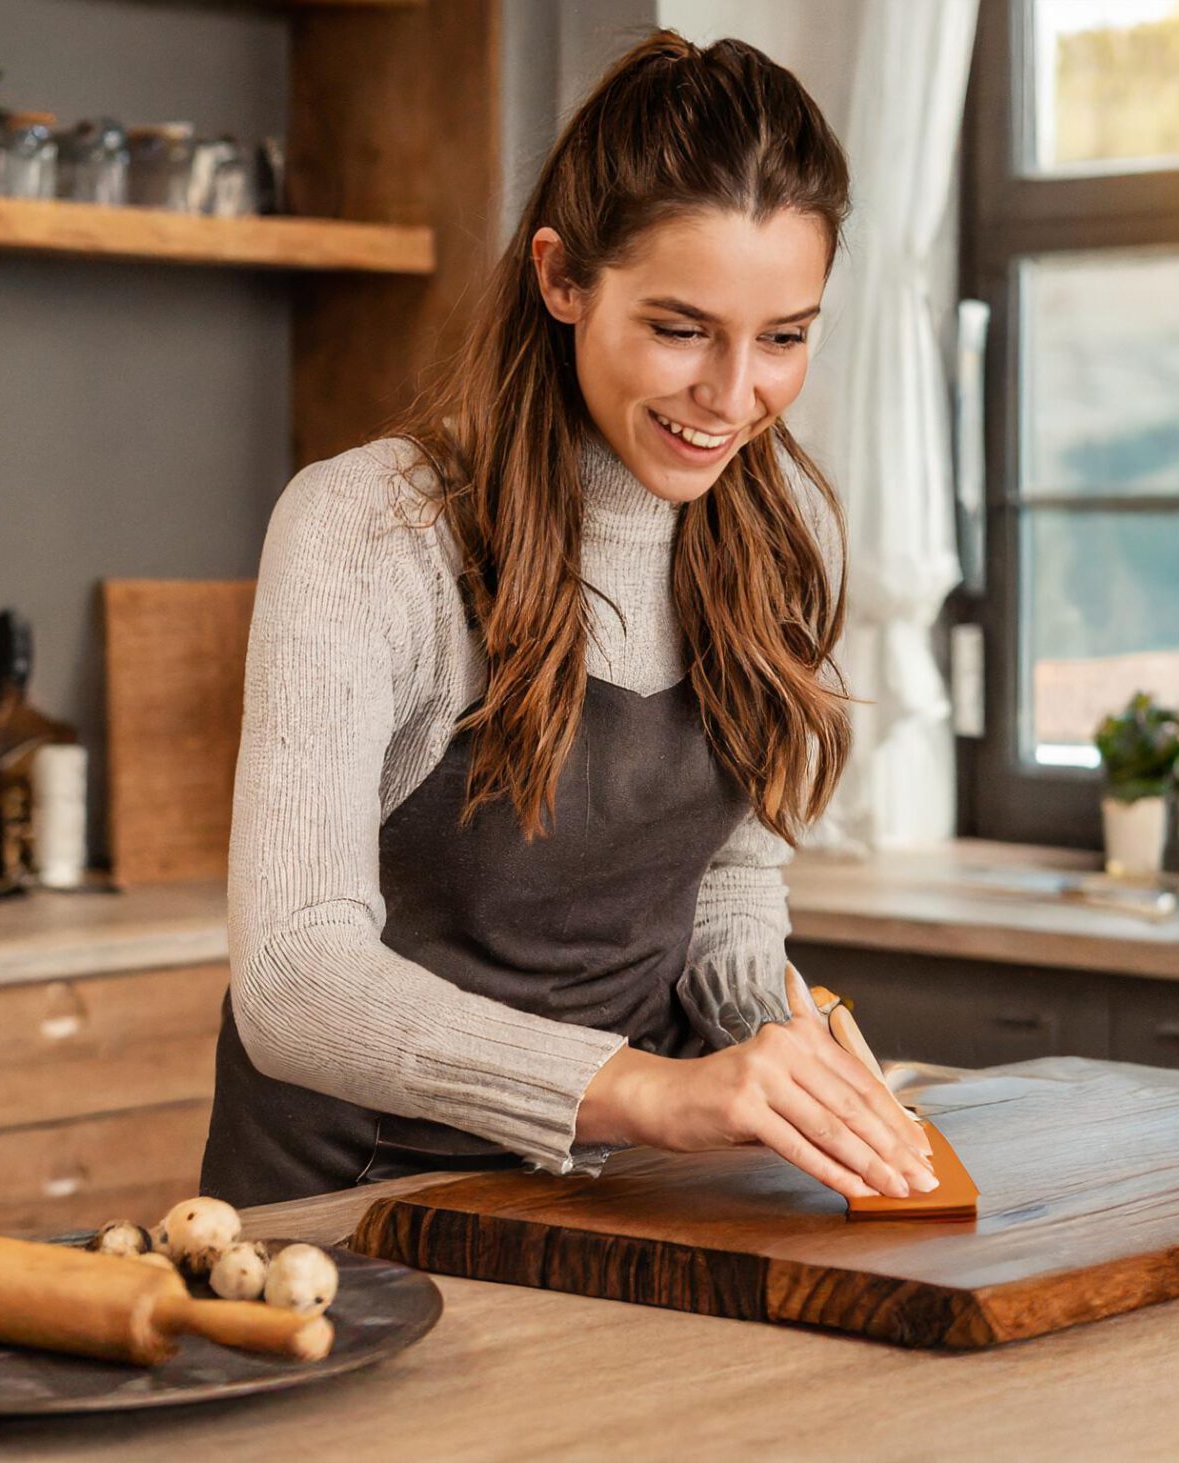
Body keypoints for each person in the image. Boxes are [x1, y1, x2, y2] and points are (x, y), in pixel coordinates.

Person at [201, 31, 936, 1209]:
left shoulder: (780, 534)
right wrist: (650, 1089)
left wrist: (786, 1053)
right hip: (352, 1209)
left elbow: (727, 886)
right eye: (681, 327)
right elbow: (291, 980)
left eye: (784, 337)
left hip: (626, 1195)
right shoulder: (371, 528)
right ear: (561, 278)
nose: (734, 396)